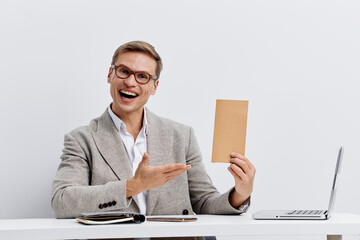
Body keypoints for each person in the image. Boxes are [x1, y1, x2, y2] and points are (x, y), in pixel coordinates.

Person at [51, 40, 256, 219]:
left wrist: (240, 193)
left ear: (154, 87)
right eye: (123, 71)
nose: (130, 82)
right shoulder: (81, 139)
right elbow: (62, 201)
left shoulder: (181, 136)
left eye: (142, 76)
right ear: (110, 74)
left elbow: (203, 202)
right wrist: (132, 186)